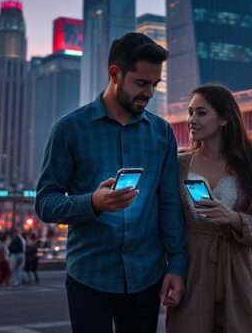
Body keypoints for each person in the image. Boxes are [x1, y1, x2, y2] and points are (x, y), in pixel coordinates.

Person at [36, 32, 188, 333]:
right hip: (89, 277)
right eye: (141, 83)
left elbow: (169, 203)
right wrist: (92, 202)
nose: (149, 93)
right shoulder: (69, 130)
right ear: (114, 73)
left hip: (147, 276)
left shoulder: (161, 133)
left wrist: (178, 267)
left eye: (154, 85)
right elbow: (45, 202)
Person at [165, 84, 252, 332]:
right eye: (190, 112)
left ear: (225, 118)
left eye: (201, 112)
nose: (191, 120)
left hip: (241, 268)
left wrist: (235, 219)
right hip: (193, 267)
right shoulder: (178, 163)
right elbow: (167, 219)